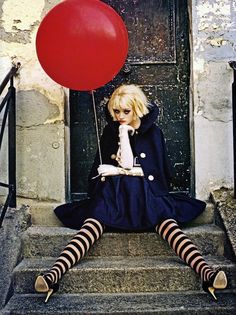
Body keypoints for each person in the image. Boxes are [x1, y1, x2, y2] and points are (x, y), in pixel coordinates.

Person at [34, 84, 227, 303]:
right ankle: (53, 275)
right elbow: (104, 164)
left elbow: (157, 169)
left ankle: (207, 274)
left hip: (146, 196)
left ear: (137, 108)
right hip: (114, 196)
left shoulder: (153, 133)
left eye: (126, 111)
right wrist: (115, 164)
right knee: (91, 225)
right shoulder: (110, 130)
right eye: (116, 111)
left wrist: (130, 168)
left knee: (168, 225)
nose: (120, 116)